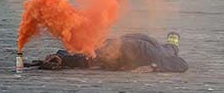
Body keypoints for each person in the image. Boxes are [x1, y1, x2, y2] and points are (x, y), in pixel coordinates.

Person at [36, 33, 188, 72]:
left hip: (151, 49)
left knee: (170, 50)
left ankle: (173, 41)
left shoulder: (153, 55)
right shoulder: (106, 51)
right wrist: (63, 58)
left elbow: (182, 64)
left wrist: (153, 67)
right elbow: (88, 58)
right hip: (133, 39)